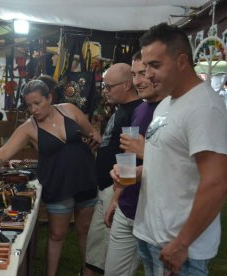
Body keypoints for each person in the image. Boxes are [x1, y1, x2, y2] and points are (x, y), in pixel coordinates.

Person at [110, 23, 227, 275]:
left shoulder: (204, 108)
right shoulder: (166, 104)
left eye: (155, 65)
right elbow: (168, 161)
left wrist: (182, 243)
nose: (147, 74)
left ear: (182, 61)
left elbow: (217, 182)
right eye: (145, 65)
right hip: (151, 234)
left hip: (180, 246)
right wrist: (136, 173)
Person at [0, 80, 101, 276]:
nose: (33, 110)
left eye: (38, 103)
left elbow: (91, 132)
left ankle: (87, 271)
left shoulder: (69, 109)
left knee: (84, 229)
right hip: (58, 184)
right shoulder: (29, 128)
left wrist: (95, 137)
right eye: (29, 105)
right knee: (57, 234)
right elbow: (4, 152)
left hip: (84, 177)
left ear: (50, 98)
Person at [103, 51, 168, 276]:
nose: (137, 81)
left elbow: (186, 167)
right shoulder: (140, 109)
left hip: (157, 217)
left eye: (143, 73)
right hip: (127, 209)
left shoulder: (173, 111)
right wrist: (116, 198)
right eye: (134, 74)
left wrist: (146, 152)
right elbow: (129, 159)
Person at [84, 63, 143, 276]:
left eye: (109, 87)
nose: (105, 92)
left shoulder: (136, 111)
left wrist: (119, 194)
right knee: (96, 247)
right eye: (104, 86)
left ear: (127, 85)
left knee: (110, 251)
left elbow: (133, 156)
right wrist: (102, 146)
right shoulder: (121, 109)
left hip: (117, 188)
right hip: (107, 187)